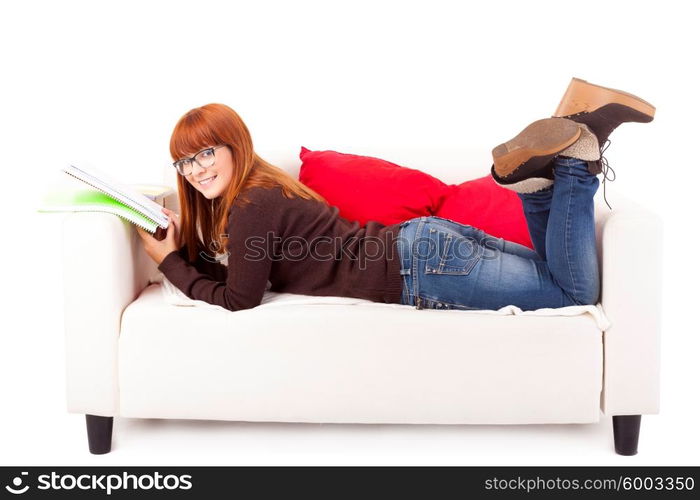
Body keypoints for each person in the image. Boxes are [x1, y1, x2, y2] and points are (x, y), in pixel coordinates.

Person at [137, 78, 655, 312]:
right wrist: (188, 252)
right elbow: (248, 271)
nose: (196, 169)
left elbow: (239, 299)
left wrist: (169, 264)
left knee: (575, 295)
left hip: (421, 265)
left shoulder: (250, 205)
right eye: (185, 161)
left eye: (207, 153)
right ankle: (566, 145)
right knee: (557, 274)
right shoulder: (266, 190)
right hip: (424, 245)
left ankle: (576, 162)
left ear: (235, 147)